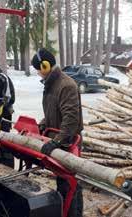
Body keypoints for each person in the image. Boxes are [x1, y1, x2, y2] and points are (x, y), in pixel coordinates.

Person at [31, 48, 83, 217]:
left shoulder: (66, 85)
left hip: (68, 142)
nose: (38, 73)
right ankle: (65, 211)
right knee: (63, 180)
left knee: (69, 181)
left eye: (38, 69)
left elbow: (70, 120)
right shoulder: (52, 84)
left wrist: (56, 141)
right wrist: (43, 124)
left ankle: (73, 214)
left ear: (45, 66)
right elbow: (53, 112)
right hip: (59, 139)